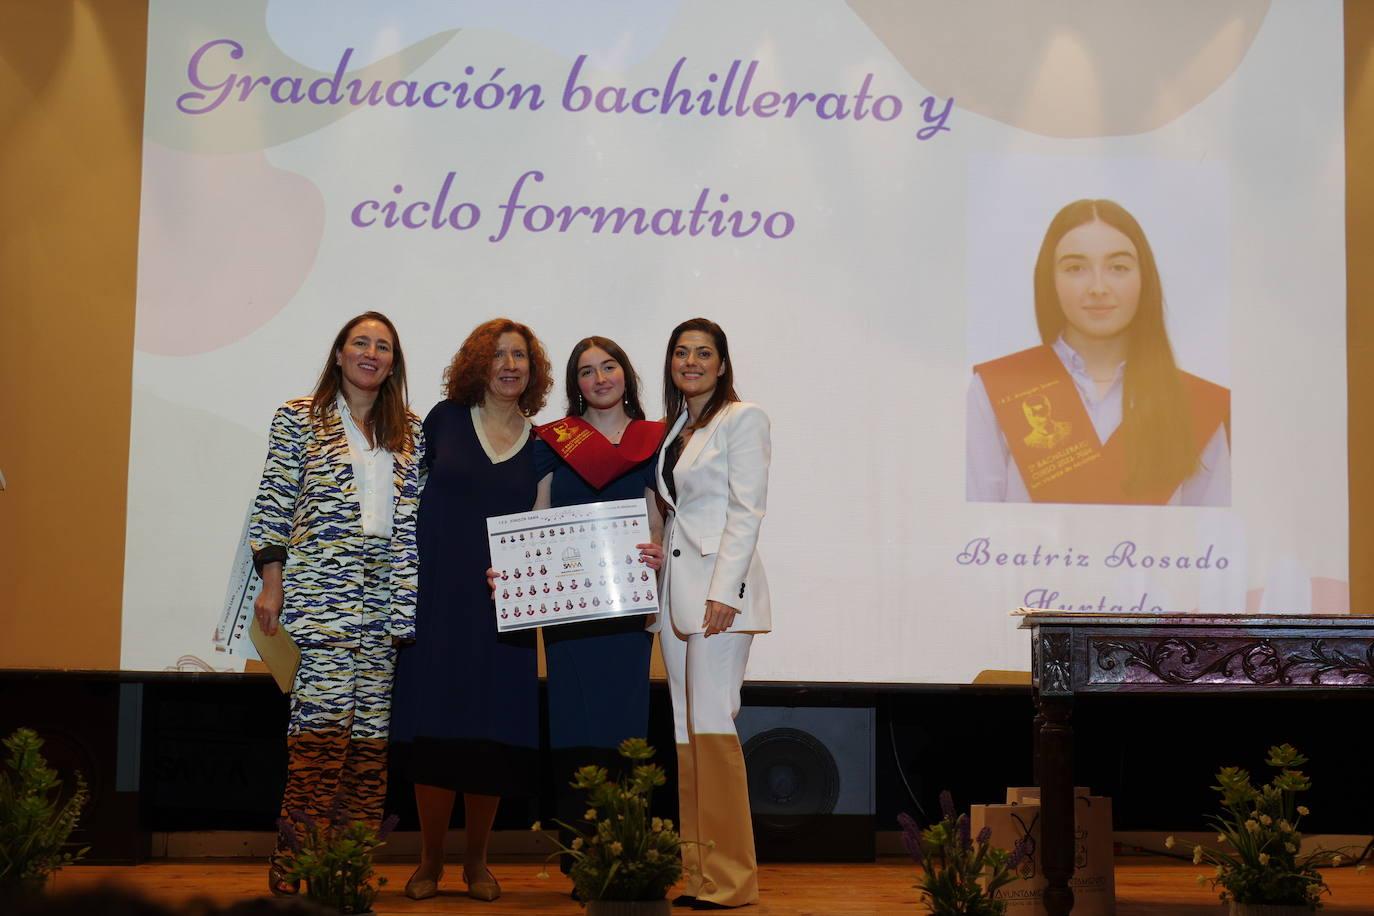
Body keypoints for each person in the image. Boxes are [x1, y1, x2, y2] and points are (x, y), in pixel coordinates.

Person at [247, 311, 424, 897]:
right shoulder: (299, 417)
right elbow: (272, 502)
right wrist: (271, 584)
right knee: (320, 743)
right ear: (340, 353)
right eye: (361, 343)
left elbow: (418, 521)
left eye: (383, 346)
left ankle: (346, 873)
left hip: (385, 604)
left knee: (369, 748)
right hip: (320, 597)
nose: (371, 353)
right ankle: (295, 872)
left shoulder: (411, 431)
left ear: (393, 362)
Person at [389, 318, 553, 902]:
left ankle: (477, 862)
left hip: (500, 611)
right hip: (436, 601)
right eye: (499, 355)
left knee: (491, 737)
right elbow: (401, 498)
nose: (510, 365)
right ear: (478, 363)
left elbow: (542, 529)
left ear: (533, 372)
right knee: (436, 731)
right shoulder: (442, 421)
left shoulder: (542, 445)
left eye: (521, 357)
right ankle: (429, 860)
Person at [967, 198, 1231, 506]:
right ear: (1050, 280)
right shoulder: (997, 389)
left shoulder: (1194, 404)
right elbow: (974, 529)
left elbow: (1213, 541)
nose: (1098, 286)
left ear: (1143, 279)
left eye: (1118, 267)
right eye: (1075, 268)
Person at [529, 337, 666, 874]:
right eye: (586, 372)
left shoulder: (654, 440)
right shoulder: (553, 440)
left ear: (626, 375)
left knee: (624, 724)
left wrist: (659, 561)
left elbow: (658, 517)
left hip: (627, 605)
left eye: (608, 367)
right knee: (573, 723)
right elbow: (537, 514)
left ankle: (626, 850)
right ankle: (579, 855)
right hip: (568, 609)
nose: (600, 378)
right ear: (575, 385)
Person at [653, 318, 771, 910]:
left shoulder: (742, 418)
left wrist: (725, 591)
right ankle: (700, 872)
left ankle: (732, 880)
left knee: (714, 728)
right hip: (676, 598)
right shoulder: (680, 425)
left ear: (722, 364)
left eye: (704, 353)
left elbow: (747, 512)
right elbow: (683, 517)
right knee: (685, 730)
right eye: (681, 352)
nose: (691, 361)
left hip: (718, 601)